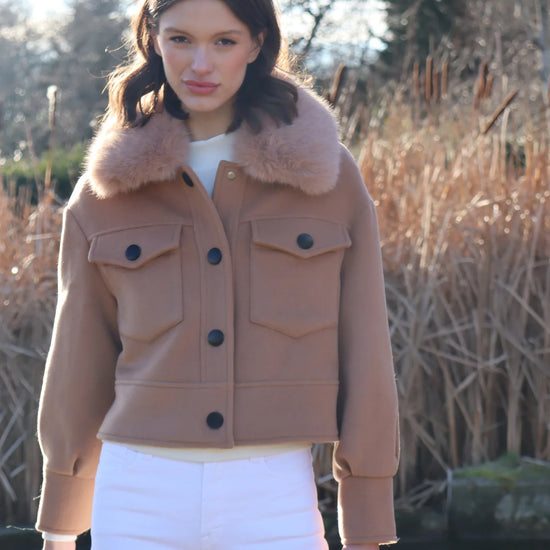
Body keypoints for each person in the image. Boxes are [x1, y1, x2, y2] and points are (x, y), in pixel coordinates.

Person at [35, 0, 400, 549]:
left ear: (256, 44)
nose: (200, 64)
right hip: (137, 492)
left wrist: (366, 518)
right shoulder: (106, 190)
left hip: (274, 494)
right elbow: (77, 358)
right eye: (181, 39)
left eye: (223, 42)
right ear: (154, 40)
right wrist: (61, 527)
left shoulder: (326, 177)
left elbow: (367, 347)